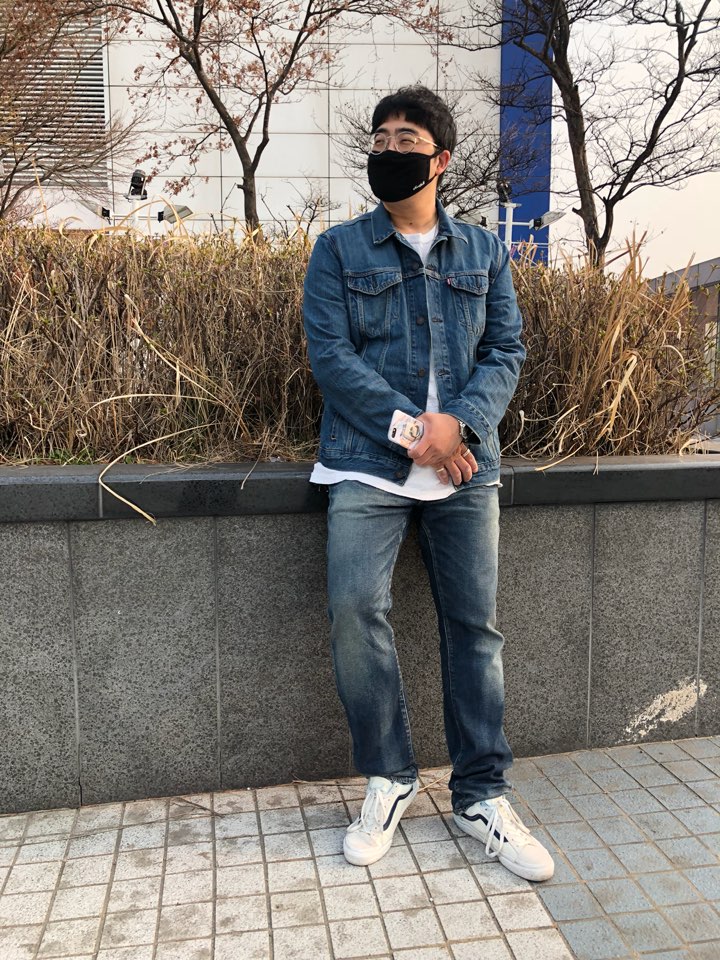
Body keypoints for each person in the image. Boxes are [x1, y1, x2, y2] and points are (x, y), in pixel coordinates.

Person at [303, 86, 554, 882]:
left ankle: (482, 793)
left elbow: (506, 350)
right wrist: (420, 435)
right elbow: (330, 357)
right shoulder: (338, 250)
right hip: (367, 462)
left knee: (474, 628)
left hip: (466, 469)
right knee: (355, 611)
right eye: (379, 139)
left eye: (405, 138)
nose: (388, 149)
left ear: (440, 159)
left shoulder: (484, 251)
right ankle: (390, 775)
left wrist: (461, 427)